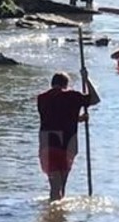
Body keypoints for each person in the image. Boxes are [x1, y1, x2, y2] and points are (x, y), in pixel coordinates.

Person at [37, 71, 100, 201]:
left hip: (48, 143)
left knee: (55, 187)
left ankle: (55, 216)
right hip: (68, 144)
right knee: (62, 186)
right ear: (66, 85)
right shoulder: (73, 96)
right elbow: (95, 99)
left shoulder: (42, 98)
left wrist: (79, 118)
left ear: (52, 84)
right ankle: (58, 216)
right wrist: (86, 79)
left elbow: (55, 116)